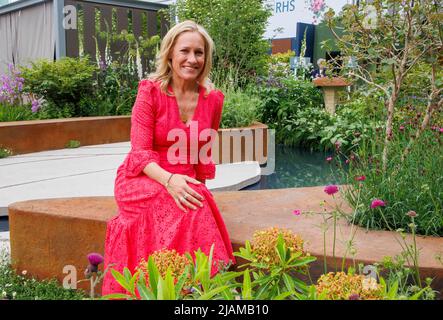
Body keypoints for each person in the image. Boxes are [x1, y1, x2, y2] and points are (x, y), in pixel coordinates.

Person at [101, 20, 236, 295]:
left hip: (184, 176)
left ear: (206, 58)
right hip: (142, 176)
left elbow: (203, 151)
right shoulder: (150, 91)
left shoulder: (214, 99)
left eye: (199, 53)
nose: (192, 59)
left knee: (194, 203)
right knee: (178, 202)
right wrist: (171, 181)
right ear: (170, 54)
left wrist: (200, 192)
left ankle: (195, 290)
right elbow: (139, 152)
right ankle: (196, 288)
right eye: (185, 51)